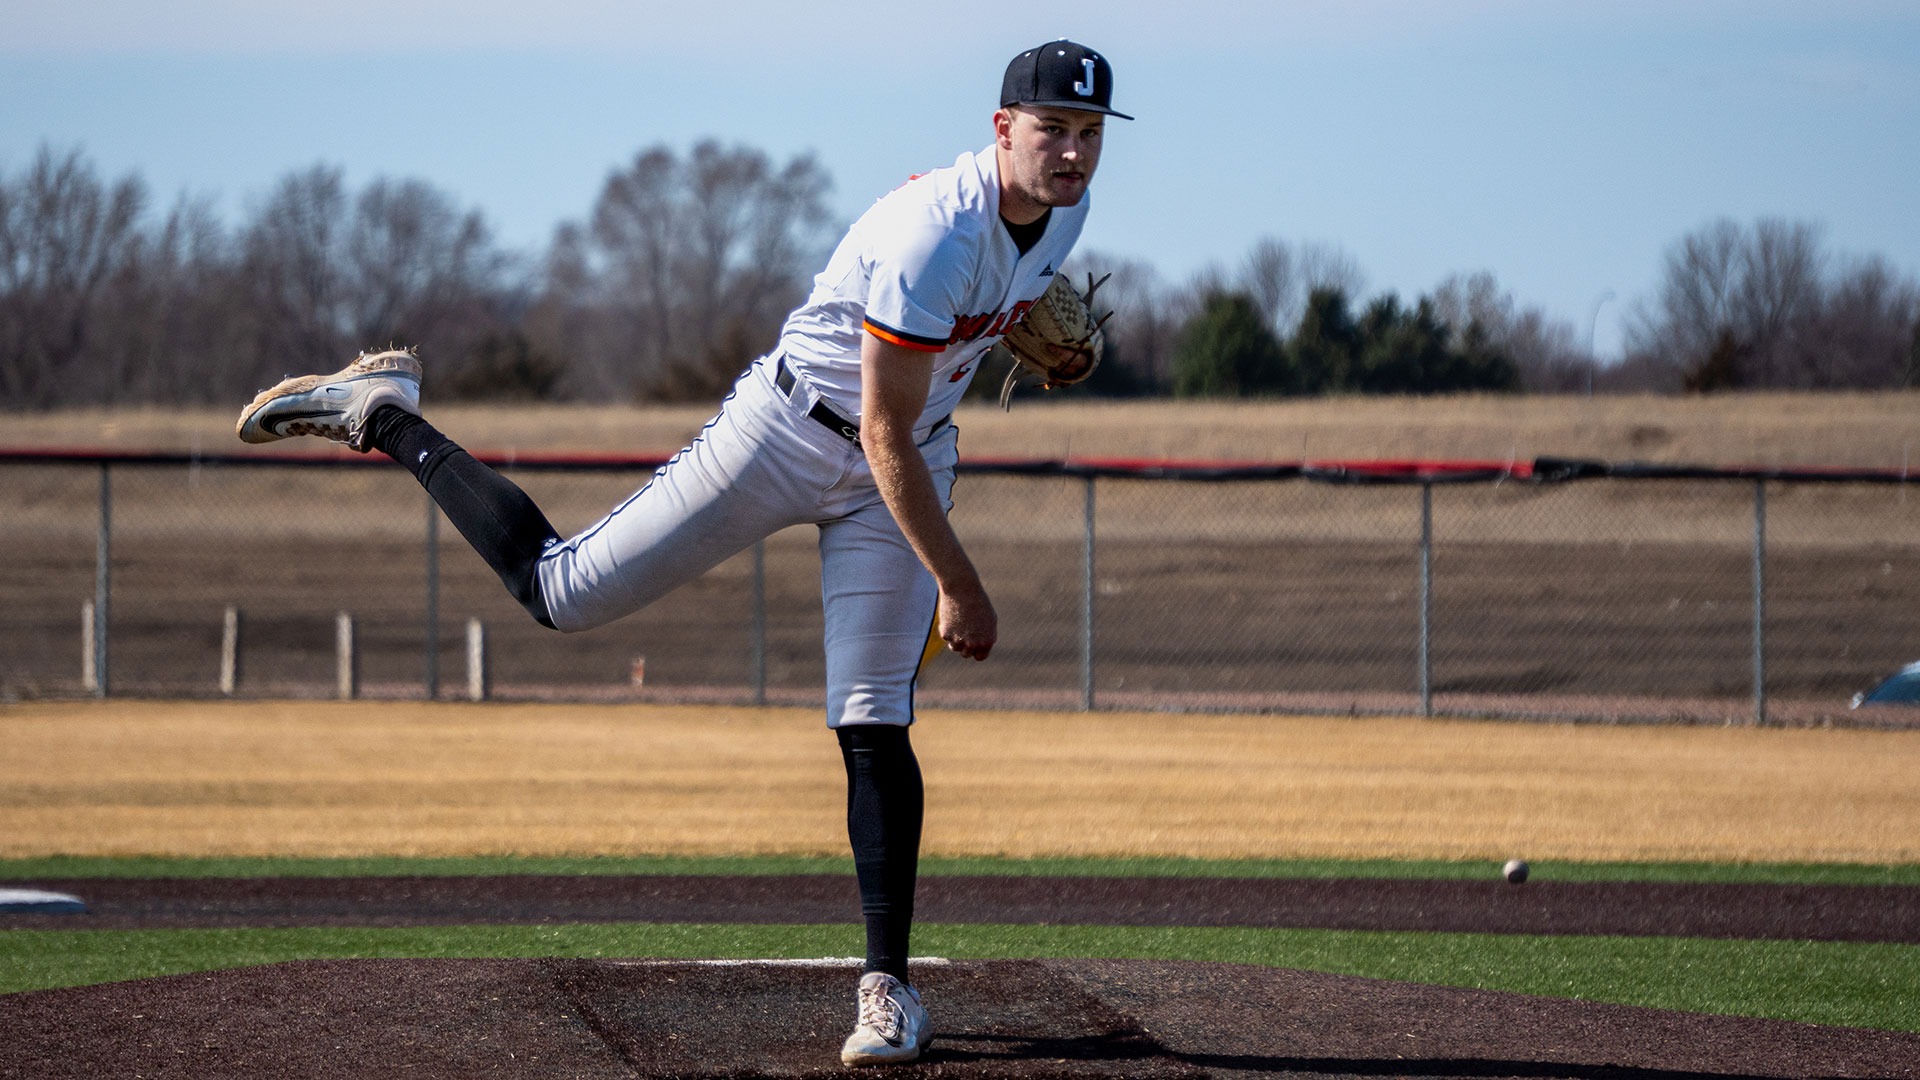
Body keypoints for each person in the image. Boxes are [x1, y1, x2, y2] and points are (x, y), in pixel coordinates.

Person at [236, 38, 1129, 1067]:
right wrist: (956, 579)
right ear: (1001, 126)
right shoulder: (935, 231)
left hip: (908, 453)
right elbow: (881, 428)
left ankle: (887, 990)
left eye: (1089, 133)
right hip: (794, 431)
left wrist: (1017, 326)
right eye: (1051, 128)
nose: (1070, 152)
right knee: (560, 592)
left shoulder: (1068, 215)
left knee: (874, 714)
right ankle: (386, 413)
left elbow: (935, 389)